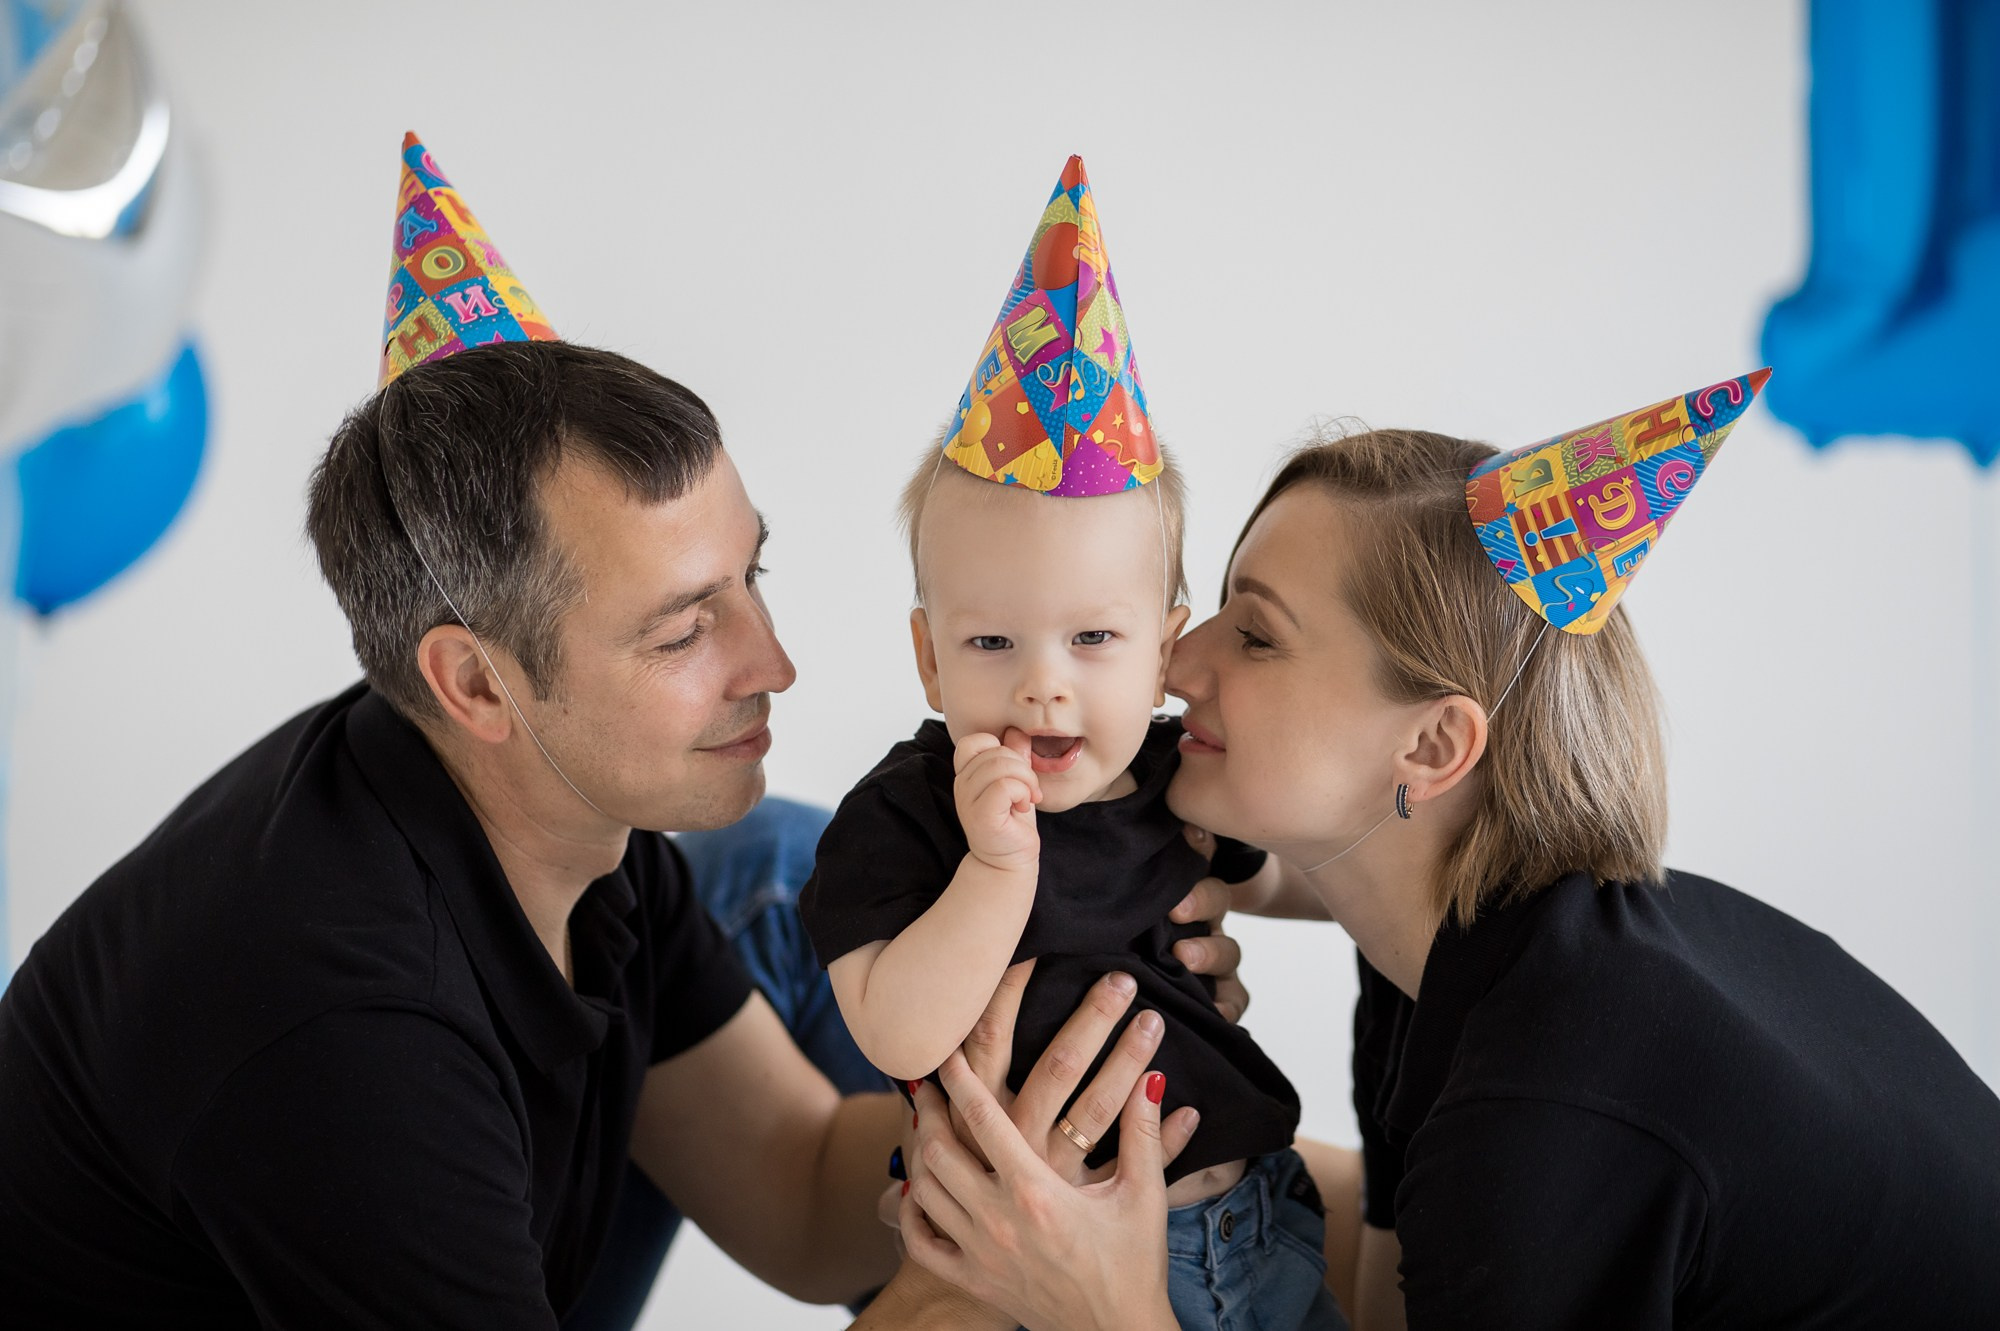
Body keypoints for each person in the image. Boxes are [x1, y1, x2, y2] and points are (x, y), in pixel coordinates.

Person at [0, 133, 1232, 1330]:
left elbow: (799, 1194)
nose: (777, 663)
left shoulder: (560, 820)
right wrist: (1016, 1254)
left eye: (755, 577)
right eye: (684, 629)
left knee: (818, 877)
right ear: (475, 683)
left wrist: (1057, 1083)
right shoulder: (347, 1036)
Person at [905, 376, 2000, 1328]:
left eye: (1254, 631)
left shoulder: (1549, 1100)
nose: (1177, 660)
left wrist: (1101, 1305)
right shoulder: (1458, 965)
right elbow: (1397, 1308)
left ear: (1431, 744)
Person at [800, 156, 1342, 1331]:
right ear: (928, 658)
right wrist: (996, 871)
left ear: (1162, 648)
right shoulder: (903, 816)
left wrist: (1303, 892)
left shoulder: (1175, 777)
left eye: (1092, 636)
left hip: (1247, 1214)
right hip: (1017, 1263)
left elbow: (1299, 865)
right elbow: (893, 1024)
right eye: (991, 639)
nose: (1042, 682)